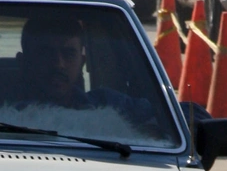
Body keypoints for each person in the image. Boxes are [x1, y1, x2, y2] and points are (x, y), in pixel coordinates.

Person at [14, 17, 152, 122]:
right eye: (46, 54)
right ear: (24, 62)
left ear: (82, 62)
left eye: (68, 54)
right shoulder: (6, 117)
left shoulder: (109, 104)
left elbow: (160, 117)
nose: (59, 64)